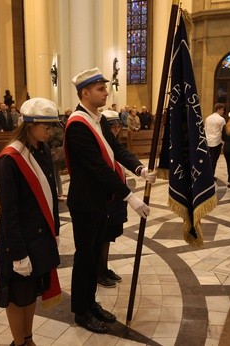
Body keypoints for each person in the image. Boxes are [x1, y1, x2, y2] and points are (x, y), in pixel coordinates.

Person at [64, 67, 156, 333]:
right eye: (101, 88)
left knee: (94, 256)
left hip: (100, 200)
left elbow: (117, 150)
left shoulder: (99, 119)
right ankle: (81, 311)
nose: (106, 92)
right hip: (85, 202)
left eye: (105, 87)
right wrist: (130, 197)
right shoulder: (77, 126)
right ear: (85, 92)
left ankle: (90, 302)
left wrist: (139, 168)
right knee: (85, 258)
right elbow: (98, 168)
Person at [0, 97, 62, 346]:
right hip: (18, 241)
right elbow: (9, 213)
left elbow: (50, 196)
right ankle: (18, 343)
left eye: (52, 126)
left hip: (38, 237)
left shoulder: (42, 150)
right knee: (17, 297)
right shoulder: (10, 159)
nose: (51, 131)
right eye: (46, 126)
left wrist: (54, 229)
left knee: (31, 292)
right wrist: (18, 254)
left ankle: (28, 338)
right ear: (29, 125)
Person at [97, 110, 126, 288]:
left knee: (109, 236)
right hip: (106, 199)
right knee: (102, 237)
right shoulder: (100, 147)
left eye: (117, 125)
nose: (116, 128)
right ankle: (98, 272)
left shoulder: (115, 145)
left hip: (116, 199)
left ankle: (104, 268)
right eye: (112, 125)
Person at [205, 103, 226, 180]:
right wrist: (223, 143)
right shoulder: (221, 119)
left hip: (208, 140)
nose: (223, 111)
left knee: (209, 159)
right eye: (222, 109)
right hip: (217, 141)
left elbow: (205, 129)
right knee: (214, 159)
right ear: (218, 109)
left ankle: (208, 173)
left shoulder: (208, 118)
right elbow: (223, 131)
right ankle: (211, 175)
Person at [48, 119, 65, 201]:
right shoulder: (61, 128)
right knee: (56, 174)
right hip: (60, 152)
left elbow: (49, 139)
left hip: (55, 153)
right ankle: (60, 192)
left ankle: (56, 192)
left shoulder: (55, 130)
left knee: (54, 173)